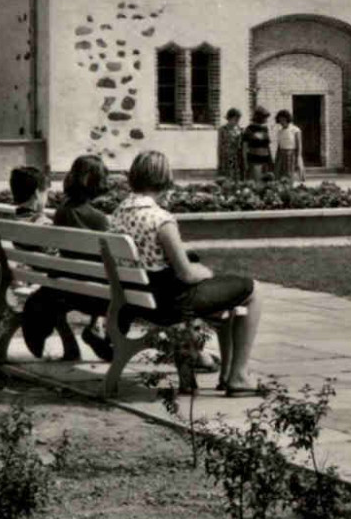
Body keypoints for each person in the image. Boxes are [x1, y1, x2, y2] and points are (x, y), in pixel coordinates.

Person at [110, 151, 261, 396]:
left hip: (137, 300)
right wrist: (205, 272)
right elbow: (187, 275)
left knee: (228, 294)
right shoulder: (161, 219)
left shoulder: (118, 214)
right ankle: (239, 376)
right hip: (170, 303)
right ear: (164, 178)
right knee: (251, 290)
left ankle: (226, 375)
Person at [21, 155, 113, 362]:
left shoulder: (63, 211)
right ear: (93, 182)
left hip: (67, 290)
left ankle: (89, 334)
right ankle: (101, 334)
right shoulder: (98, 219)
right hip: (96, 296)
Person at [242, 106, 273, 182]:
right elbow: (244, 147)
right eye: (265, 117)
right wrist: (245, 162)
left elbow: (267, 145)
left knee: (266, 183)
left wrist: (270, 160)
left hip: (265, 160)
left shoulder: (265, 129)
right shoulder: (249, 129)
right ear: (259, 117)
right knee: (257, 182)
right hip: (254, 160)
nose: (266, 119)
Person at [274, 110, 303, 184]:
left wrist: (298, 158)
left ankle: (289, 188)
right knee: (279, 174)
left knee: (289, 174)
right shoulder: (280, 131)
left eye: (283, 119)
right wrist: (277, 157)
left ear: (287, 119)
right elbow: (279, 144)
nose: (281, 122)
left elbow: (299, 145)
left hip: (291, 153)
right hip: (281, 154)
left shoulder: (295, 130)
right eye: (280, 120)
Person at [217, 108, 244, 181]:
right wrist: (220, 160)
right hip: (226, 156)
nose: (237, 121)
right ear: (230, 118)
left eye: (238, 119)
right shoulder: (223, 129)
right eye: (235, 119)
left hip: (237, 157)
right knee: (226, 177)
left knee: (237, 177)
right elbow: (220, 145)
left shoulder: (240, 130)